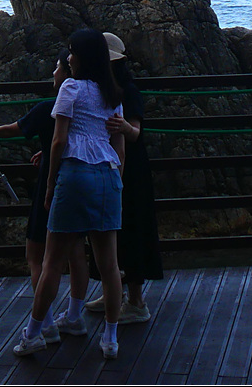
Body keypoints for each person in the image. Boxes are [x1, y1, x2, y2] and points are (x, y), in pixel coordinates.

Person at [9, 28, 126, 360]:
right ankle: (110, 339)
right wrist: (117, 181)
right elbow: (119, 147)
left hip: (75, 175)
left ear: (83, 57)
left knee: (51, 262)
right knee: (109, 265)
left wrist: (50, 185)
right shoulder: (113, 94)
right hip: (108, 176)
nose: (69, 58)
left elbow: (59, 141)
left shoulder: (71, 88)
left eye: (72, 52)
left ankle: (33, 334)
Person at [0, 57, 90, 340]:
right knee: (76, 252)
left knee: (36, 256)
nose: (53, 72)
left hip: (53, 185)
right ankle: (74, 317)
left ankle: (46, 323)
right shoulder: (85, 108)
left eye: (57, 67)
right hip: (80, 182)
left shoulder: (48, 109)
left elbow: (15, 129)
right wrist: (48, 149)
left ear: (68, 73)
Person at [85, 32, 162, 324]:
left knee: (131, 228)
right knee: (108, 229)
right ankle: (112, 292)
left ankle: (136, 300)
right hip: (106, 163)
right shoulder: (98, 89)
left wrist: (122, 127)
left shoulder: (128, 91)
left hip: (131, 169)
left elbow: (136, 132)